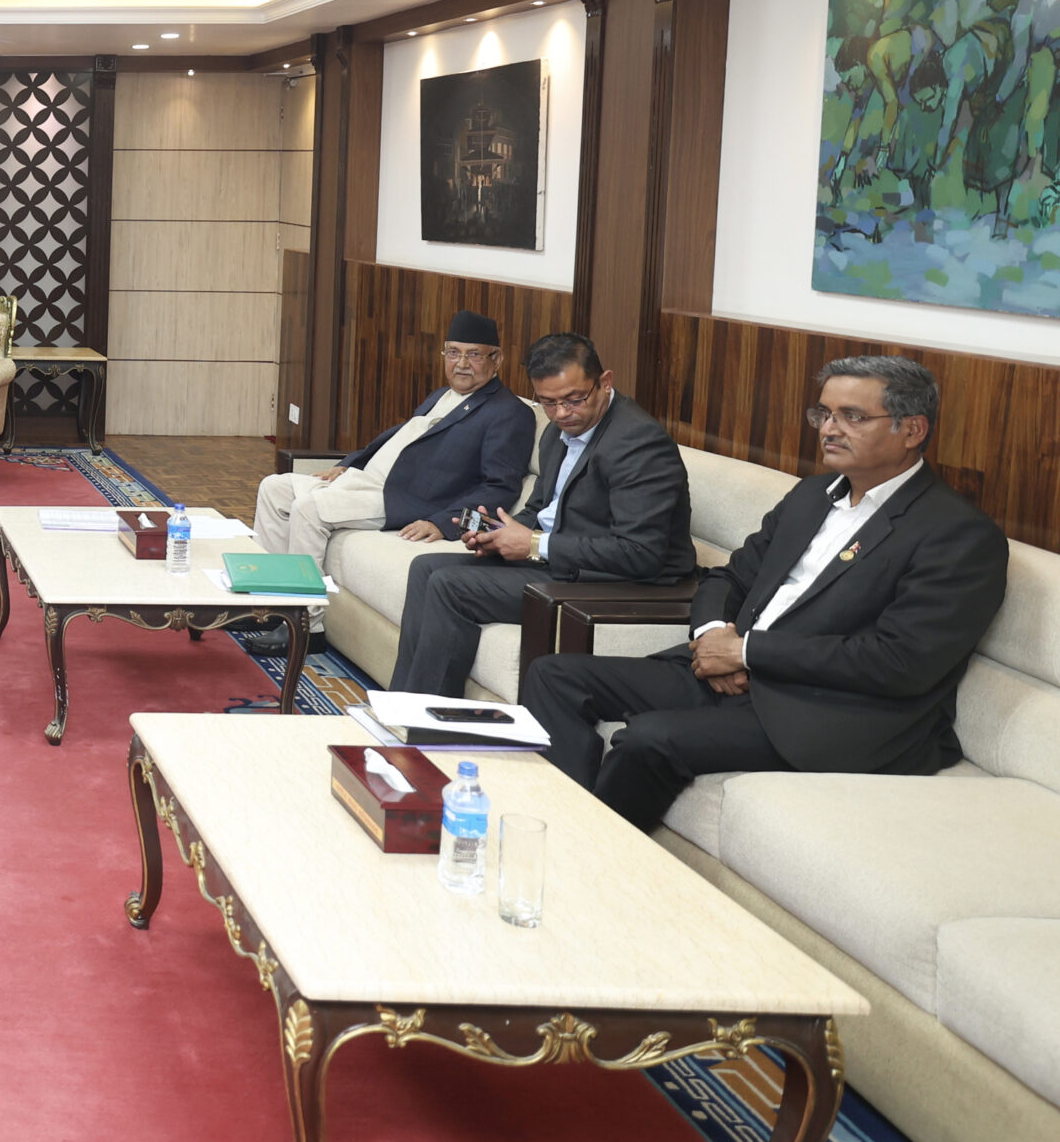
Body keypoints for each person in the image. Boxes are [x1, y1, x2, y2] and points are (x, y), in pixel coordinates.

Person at [522, 356, 1007, 831]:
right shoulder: (812, 495)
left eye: (852, 417)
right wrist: (714, 635)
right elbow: (728, 578)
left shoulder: (956, 534)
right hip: (728, 671)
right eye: (824, 413)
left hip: (824, 708)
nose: (829, 429)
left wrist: (748, 652)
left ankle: (585, 853)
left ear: (913, 430)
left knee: (650, 738)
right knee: (554, 675)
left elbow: (900, 661)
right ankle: (558, 820)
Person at [388, 332, 693, 699]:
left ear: (605, 382)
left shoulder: (638, 443)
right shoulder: (557, 433)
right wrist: (499, 534)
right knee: (425, 568)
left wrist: (534, 544)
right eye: (548, 402)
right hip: (566, 562)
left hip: (622, 584)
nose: (562, 413)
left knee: (450, 585)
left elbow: (640, 553)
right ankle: (402, 706)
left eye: (574, 399)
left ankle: (430, 720)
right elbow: (541, 509)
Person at [244, 310, 532, 651]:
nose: (462, 364)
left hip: (404, 498)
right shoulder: (443, 395)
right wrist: (348, 464)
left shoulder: (508, 412)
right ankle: (269, 607)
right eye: (453, 352)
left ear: (497, 359)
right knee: (274, 488)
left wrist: (443, 522)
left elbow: (500, 486)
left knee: (310, 509)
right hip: (366, 481)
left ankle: (305, 624)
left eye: (474, 355)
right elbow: (399, 438)